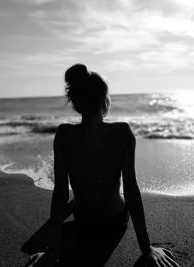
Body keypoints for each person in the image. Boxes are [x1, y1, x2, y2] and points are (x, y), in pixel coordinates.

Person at [28, 64, 180, 266]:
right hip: (113, 222)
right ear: (105, 101)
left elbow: (60, 192)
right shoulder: (122, 132)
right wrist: (146, 248)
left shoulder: (64, 134)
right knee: (118, 192)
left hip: (84, 221)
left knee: (79, 194)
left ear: (76, 103)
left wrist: (52, 251)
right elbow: (132, 191)